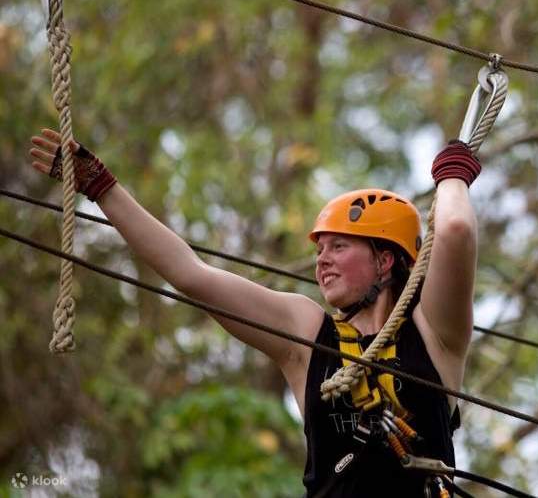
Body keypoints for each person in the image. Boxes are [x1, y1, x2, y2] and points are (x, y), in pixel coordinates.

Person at [29, 128, 482, 496]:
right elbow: (191, 276)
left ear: (385, 260)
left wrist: (452, 174)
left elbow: (456, 228)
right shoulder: (305, 335)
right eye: (320, 249)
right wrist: (102, 188)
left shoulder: (432, 333)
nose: (321, 260)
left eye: (339, 247)